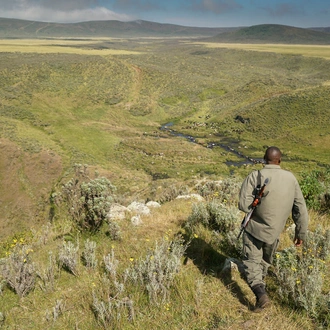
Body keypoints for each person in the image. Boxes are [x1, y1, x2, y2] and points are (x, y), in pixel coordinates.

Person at [238, 146, 308, 312]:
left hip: (254, 229)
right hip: (275, 232)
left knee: (251, 263)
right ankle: (261, 297)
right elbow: (300, 208)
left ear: (264, 159)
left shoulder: (256, 176)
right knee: (264, 263)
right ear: (279, 160)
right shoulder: (291, 179)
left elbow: (243, 205)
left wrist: (256, 202)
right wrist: (301, 233)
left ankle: (261, 296)